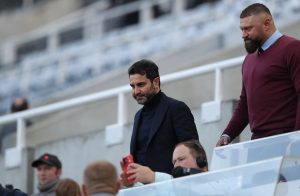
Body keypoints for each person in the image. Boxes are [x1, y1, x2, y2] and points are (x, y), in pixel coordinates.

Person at [217, 3, 300, 146]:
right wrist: (228, 134)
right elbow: (245, 103)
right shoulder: (249, 59)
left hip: (287, 140)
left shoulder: (293, 48)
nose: (244, 35)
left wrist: (296, 138)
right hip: (257, 143)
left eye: (248, 29)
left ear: (267, 23)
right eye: (242, 29)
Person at [128, 59, 199, 174]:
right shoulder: (138, 117)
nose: (136, 91)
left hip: (172, 187)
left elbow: (192, 155)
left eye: (140, 85)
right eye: (132, 86)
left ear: (155, 82)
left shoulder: (176, 108)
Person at [120, 140, 208, 186]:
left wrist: (152, 176)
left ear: (200, 161)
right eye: (174, 162)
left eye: (181, 159)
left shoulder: (215, 184)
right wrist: (131, 184)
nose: (176, 166)